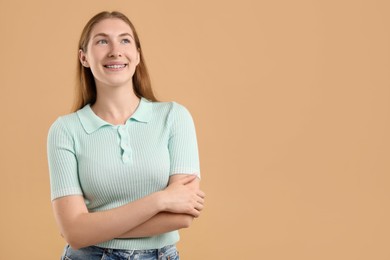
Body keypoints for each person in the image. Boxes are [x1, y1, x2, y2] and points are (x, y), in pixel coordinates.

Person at [47, 11, 205, 260]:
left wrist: (92, 228)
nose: (115, 51)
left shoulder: (174, 117)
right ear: (84, 57)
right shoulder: (65, 130)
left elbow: (183, 216)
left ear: (138, 55)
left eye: (124, 40)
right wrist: (160, 200)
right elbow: (75, 234)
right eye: (102, 41)